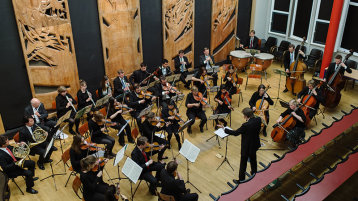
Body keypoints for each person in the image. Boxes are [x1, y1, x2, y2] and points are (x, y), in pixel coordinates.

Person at [218, 108, 261, 183]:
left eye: (244, 115)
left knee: (243, 164)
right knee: (253, 160)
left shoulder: (246, 125)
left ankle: (241, 180)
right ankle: (254, 173)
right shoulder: (258, 120)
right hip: (255, 144)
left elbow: (236, 133)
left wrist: (224, 128)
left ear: (246, 116)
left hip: (247, 147)